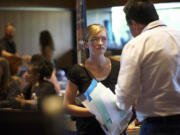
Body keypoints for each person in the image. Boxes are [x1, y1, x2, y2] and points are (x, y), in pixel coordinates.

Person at [115, 0, 180, 135]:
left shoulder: (136, 45)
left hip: (157, 126)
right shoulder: (178, 36)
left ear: (134, 24)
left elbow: (125, 96)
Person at [63, 24, 127, 135]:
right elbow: (67, 106)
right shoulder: (77, 70)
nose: (100, 43)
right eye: (95, 39)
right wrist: (95, 112)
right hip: (88, 130)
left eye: (104, 39)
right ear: (86, 44)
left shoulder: (118, 66)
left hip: (116, 130)